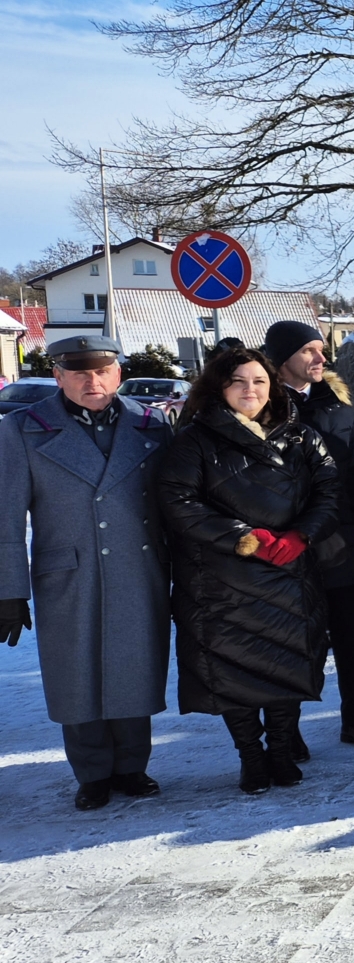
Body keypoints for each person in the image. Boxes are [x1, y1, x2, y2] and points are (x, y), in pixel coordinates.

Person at [0, 334, 177, 810]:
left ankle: (133, 766)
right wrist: (8, 589)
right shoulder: (23, 428)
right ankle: (93, 773)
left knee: (135, 667)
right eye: (79, 372)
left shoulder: (151, 423)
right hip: (68, 572)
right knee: (75, 673)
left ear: (118, 373)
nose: (92, 381)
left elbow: (174, 503)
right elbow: (5, 515)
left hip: (138, 565)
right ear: (58, 376)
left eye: (102, 370)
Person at [156, 347, 342, 794]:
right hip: (221, 578)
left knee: (287, 666)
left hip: (289, 572)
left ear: (272, 385)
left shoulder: (301, 436)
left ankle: (281, 750)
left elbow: (331, 491)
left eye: (259, 380)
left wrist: (301, 536)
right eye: (237, 381)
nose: (249, 390)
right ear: (218, 387)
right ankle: (251, 756)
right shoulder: (194, 440)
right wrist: (246, 538)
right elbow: (177, 500)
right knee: (233, 672)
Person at [262, 320, 354, 753]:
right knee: (295, 641)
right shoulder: (261, 409)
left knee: (350, 639)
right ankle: (287, 730)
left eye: (321, 349)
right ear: (282, 359)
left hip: (337, 541)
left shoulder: (340, 410)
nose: (321, 358)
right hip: (285, 544)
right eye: (309, 351)